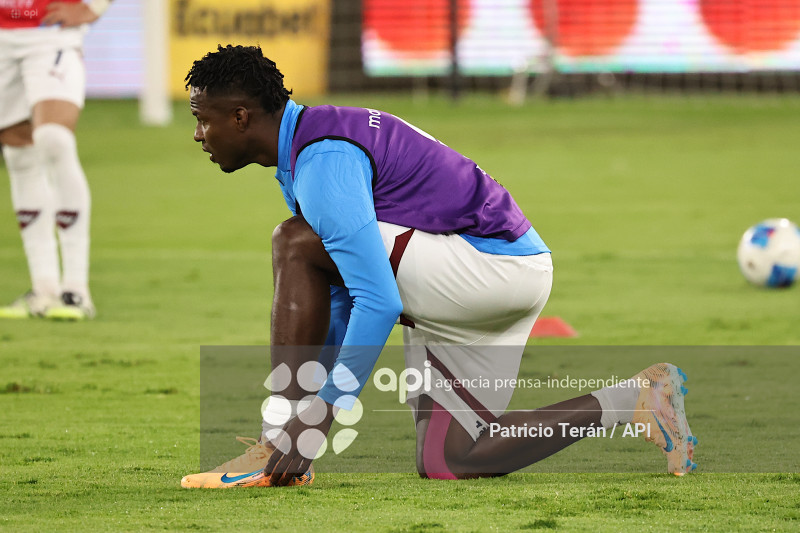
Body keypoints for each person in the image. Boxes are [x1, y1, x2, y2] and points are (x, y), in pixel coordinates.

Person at [180, 45, 696, 488]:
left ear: (241, 117)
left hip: (484, 271)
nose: (199, 134)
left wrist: (312, 420)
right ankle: (637, 398)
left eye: (203, 118)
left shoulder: (322, 160)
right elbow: (336, 292)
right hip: (507, 272)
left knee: (293, 241)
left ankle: (273, 443)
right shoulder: (315, 141)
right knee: (450, 460)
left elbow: (377, 300)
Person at [0, 0, 111, 320]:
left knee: (53, 138)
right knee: (18, 152)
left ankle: (76, 290)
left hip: (50, 32)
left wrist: (95, 8)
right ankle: (44, 289)